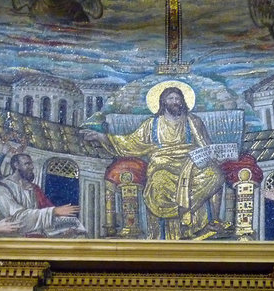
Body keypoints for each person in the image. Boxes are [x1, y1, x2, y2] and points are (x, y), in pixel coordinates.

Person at [82, 86, 225, 240]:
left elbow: (206, 145)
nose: (175, 102)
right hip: (162, 165)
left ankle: (198, 220)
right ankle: (179, 225)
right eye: (171, 98)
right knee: (158, 183)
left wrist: (217, 155)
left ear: (183, 101)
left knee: (214, 175)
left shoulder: (193, 121)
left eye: (178, 99)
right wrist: (102, 137)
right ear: (163, 101)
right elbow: (131, 142)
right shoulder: (152, 124)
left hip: (191, 162)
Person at [0, 153, 86, 238]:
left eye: (31, 164)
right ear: (16, 165)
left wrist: (63, 231)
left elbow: (38, 218)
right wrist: (54, 211)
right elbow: (17, 220)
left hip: (31, 235)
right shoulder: (0, 188)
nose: (32, 167)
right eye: (27, 164)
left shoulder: (31, 188)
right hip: (11, 240)